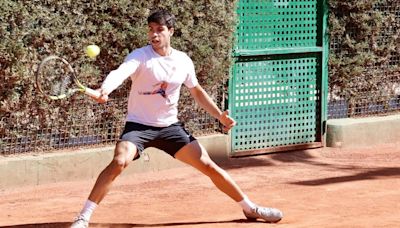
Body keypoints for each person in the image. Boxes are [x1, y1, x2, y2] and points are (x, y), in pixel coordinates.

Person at [71, 9, 283, 228]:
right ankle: (83, 217)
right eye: (151, 30)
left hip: (170, 127)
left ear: (171, 31)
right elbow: (121, 72)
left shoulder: (182, 61)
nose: (154, 35)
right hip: (139, 126)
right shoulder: (140, 56)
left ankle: (250, 208)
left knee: (209, 166)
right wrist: (105, 89)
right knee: (119, 161)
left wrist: (219, 115)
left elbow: (197, 91)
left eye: (160, 30)